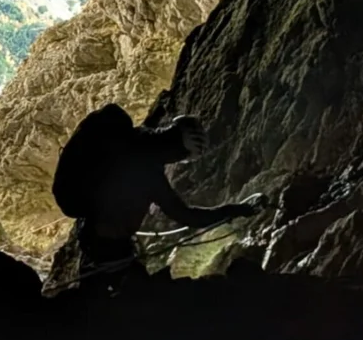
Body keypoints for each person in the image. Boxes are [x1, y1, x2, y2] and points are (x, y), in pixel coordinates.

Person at [51, 103, 263, 283]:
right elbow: (188, 216)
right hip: (110, 252)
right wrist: (237, 210)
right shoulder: (149, 172)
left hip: (92, 239)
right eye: (184, 157)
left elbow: (143, 142)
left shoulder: (134, 139)